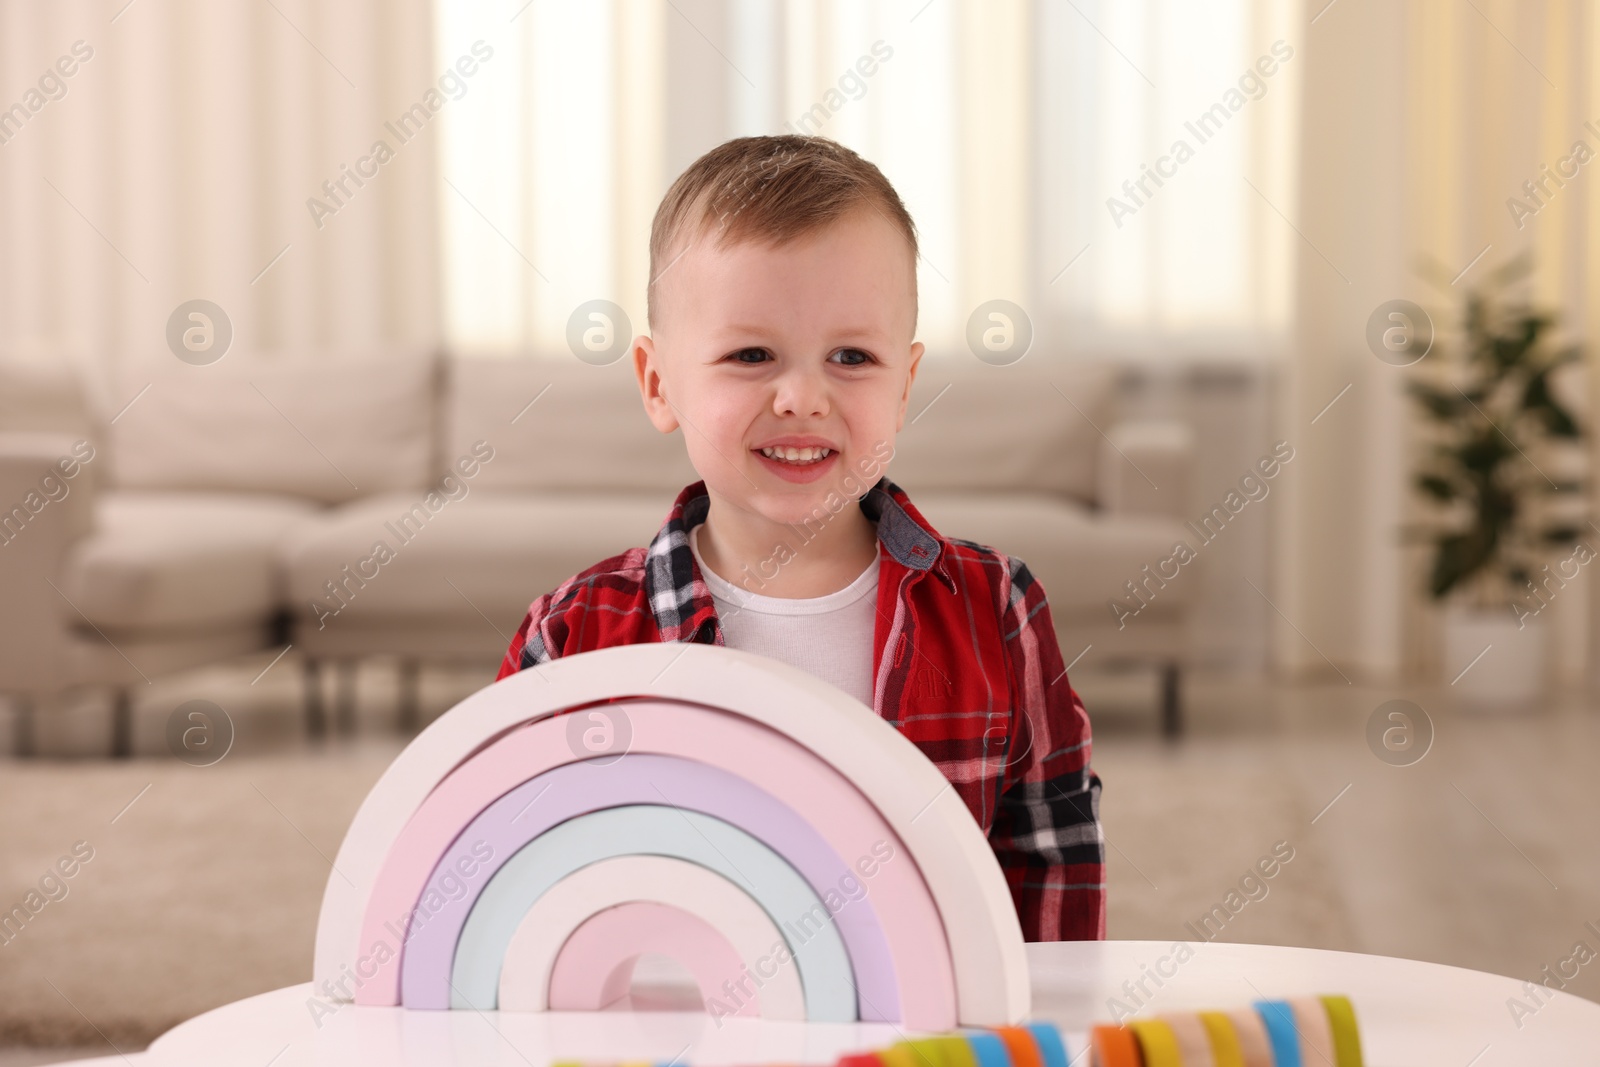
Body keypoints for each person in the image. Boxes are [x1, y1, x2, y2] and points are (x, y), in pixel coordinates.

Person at [496, 134, 1105, 942]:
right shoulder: (573, 637)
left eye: (852, 356)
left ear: (905, 385)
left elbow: (1052, 864)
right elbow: (502, 878)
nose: (802, 396)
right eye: (751, 354)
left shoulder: (998, 611)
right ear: (658, 382)